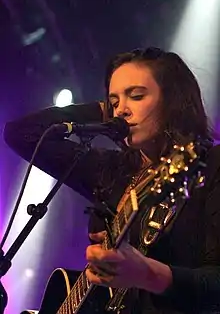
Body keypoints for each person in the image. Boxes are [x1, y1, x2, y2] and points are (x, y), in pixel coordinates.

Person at [3, 47, 220, 314]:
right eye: (114, 101)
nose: (122, 111)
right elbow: (21, 133)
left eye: (137, 96)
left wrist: (148, 274)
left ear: (173, 100)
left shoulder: (210, 165)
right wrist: (102, 112)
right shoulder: (112, 170)